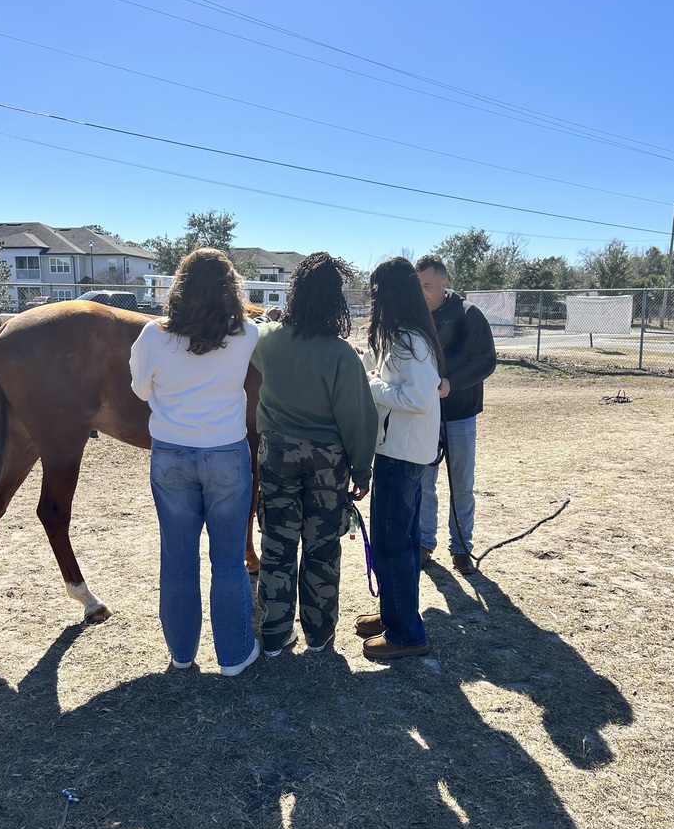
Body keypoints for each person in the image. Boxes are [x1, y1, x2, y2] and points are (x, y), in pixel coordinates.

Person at [129, 248, 260, 676]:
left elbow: (140, 390)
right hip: (227, 453)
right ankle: (234, 655)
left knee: (178, 560)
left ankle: (182, 654)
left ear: (180, 286)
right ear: (230, 288)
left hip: (171, 452)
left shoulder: (153, 335)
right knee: (228, 560)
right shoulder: (247, 334)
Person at [250, 252, 377, 656]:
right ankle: (319, 634)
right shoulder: (341, 354)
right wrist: (362, 470)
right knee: (322, 548)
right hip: (327, 462)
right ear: (334, 300)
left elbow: (251, 335)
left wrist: (267, 318)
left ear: (295, 293)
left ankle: (275, 633)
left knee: (276, 543)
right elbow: (358, 416)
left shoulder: (267, 339)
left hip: (276, 455)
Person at [356, 256, 445, 659]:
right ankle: (396, 614)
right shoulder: (404, 336)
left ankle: (406, 634)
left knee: (393, 545)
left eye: (376, 293)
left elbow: (418, 398)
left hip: (401, 456)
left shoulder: (410, 340)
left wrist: (373, 385)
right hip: (402, 452)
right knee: (400, 543)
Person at [415, 255, 496, 575]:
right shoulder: (417, 316)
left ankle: (461, 547)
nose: (422, 292)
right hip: (426, 414)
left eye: (427, 285)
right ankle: (425, 542)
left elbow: (486, 361)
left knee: (461, 485)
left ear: (444, 282)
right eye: (418, 286)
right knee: (425, 483)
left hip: (460, 415)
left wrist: (452, 384)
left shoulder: (468, 314)